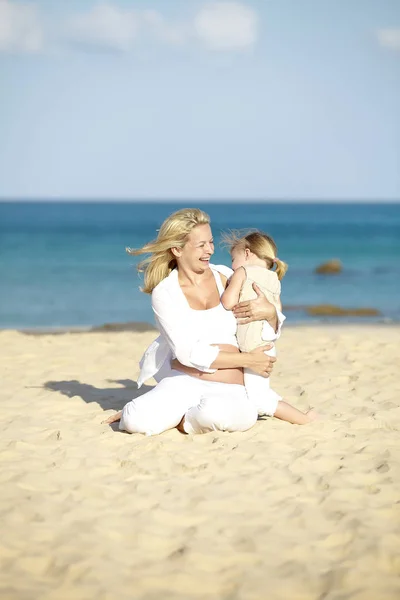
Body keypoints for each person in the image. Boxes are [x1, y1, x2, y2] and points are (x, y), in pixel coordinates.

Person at [104, 208, 285, 435]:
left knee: (226, 416)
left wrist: (271, 314)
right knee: (135, 422)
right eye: (201, 245)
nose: (210, 250)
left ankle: (179, 418)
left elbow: (264, 328)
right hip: (183, 381)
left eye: (210, 242)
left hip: (230, 388)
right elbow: (186, 353)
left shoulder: (227, 276)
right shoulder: (165, 292)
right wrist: (249, 359)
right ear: (177, 249)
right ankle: (173, 413)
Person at [221, 230, 317, 425]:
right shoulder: (274, 278)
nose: (232, 265)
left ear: (247, 253)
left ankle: (304, 420)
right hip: (266, 342)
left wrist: (228, 285)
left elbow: (228, 302)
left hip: (253, 346)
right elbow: (277, 311)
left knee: (259, 401)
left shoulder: (242, 272)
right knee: (259, 390)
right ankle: (294, 410)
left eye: (233, 258)